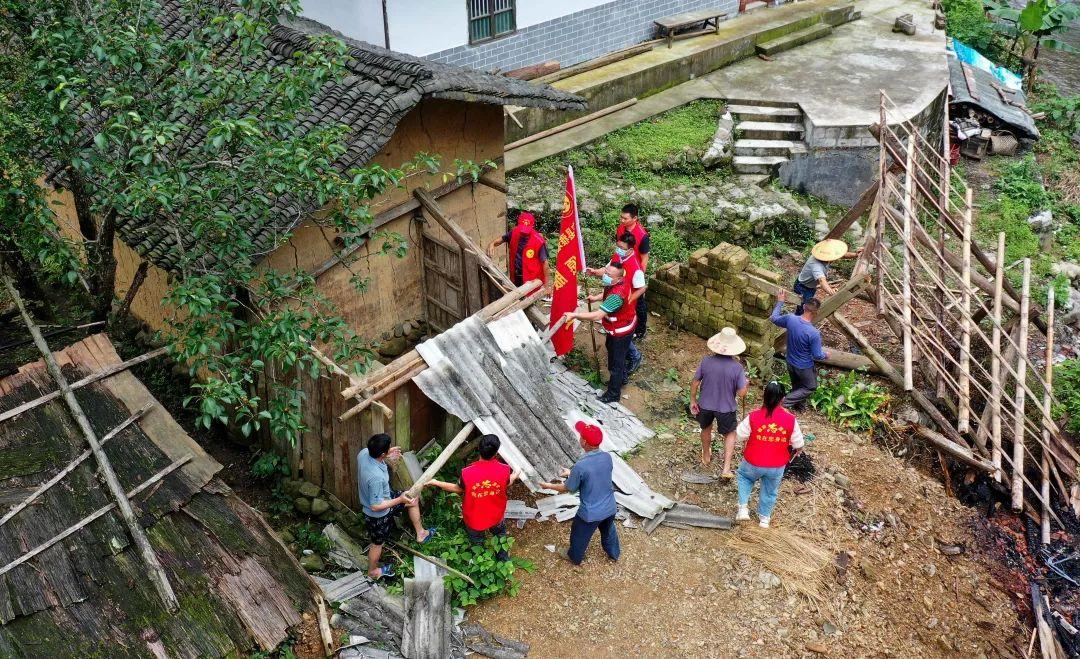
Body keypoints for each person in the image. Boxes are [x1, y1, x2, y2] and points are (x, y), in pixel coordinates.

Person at [426, 434, 522, 561]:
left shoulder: (467, 472)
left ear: (478, 449)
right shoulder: (504, 470)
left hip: (474, 518)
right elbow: (507, 482)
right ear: (496, 452)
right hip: (496, 515)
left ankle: (480, 561)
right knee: (500, 536)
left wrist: (436, 482)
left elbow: (458, 489)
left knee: (477, 542)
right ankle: (503, 560)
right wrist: (515, 475)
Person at [538, 421, 619, 565]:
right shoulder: (607, 457)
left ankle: (574, 557)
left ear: (584, 442)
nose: (579, 437)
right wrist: (572, 473)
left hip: (590, 513)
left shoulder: (580, 466)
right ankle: (614, 553)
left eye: (580, 436)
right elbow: (595, 474)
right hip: (610, 507)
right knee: (608, 529)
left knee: (579, 534)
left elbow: (568, 488)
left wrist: (549, 486)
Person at [358, 433, 436, 579]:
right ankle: (373, 572)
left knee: (412, 498)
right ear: (381, 453)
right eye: (387, 449)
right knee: (377, 544)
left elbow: (376, 456)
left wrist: (387, 455)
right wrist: (400, 499)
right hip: (377, 514)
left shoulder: (363, 454)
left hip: (386, 498)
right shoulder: (375, 477)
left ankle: (421, 534)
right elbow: (376, 506)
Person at [734, 381, 805, 528]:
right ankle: (764, 519)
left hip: (753, 461)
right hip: (776, 465)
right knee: (770, 490)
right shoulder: (791, 419)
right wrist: (797, 449)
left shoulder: (753, 416)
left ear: (764, 396)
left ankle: (743, 509)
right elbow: (799, 444)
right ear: (783, 399)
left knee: (744, 477)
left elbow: (739, 434)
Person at [564, 261, 635, 403]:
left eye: (609, 275)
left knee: (616, 362)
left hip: (620, 332)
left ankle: (613, 394)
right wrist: (596, 297)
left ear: (619, 278)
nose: (606, 276)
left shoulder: (617, 296)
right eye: (606, 272)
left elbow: (597, 315)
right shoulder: (620, 281)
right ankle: (622, 378)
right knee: (612, 351)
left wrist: (574, 315)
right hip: (619, 327)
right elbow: (607, 291)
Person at [689, 327, 749, 476]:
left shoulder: (706, 361)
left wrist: (692, 400)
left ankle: (706, 456)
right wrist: (746, 384)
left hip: (705, 405)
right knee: (729, 434)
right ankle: (726, 468)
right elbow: (741, 394)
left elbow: (695, 382)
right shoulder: (737, 368)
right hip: (726, 408)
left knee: (706, 428)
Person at [587, 232, 646, 377]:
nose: (618, 249)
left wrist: (630, 299)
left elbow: (642, 288)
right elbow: (607, 269)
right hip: (615, 298)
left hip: (625, 303)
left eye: (621, 247)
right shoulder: (618, 257)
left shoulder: (635, 267)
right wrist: (595, 272)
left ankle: (633, 357)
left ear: (630, 250)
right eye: (618, 246)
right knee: (615, 334)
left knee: (621, 333)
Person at [770, 291, 830, 411]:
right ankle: (783, 403)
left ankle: (799, 408)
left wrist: (780, 302)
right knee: (810, 386)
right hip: (804, 366)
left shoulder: (791, 319)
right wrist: (825, 355)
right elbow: (817, 355)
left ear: (803, 307)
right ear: (816, 312)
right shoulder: (813, 333)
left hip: (790, 362)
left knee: (798, 386)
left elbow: (774, 318)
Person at [793, 239, 859, 314]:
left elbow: (842, 255)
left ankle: (798, 318)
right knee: (805, 308)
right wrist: (830, 291)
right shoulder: (816, 265)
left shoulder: (823, 256)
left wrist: (855, 254)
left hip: (810, 286)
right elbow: (821, 280)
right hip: (803, 288)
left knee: (803, 305)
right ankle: (798, 322)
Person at [486, 210, 549, 288]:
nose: (524, 232)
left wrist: (547, 285)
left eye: (527, 230)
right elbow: (501, 240)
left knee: (529, 296)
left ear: (532, 226)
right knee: (517, 294)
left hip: (531, 277)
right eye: (522, 229)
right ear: (518, 224)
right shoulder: (514, 232)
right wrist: (492, 244)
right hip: (516, 275)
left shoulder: (539, 241)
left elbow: (545, 264)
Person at [616, 204, 650, 341]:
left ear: (635, 218)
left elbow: (644, 258)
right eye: (621, 217)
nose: (622, 220)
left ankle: (641, 329)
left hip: (635, 272)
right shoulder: (620, 229)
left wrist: (638, 277)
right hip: (622, 269)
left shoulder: (642, 236)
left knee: (638, 301)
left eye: (625, 218)